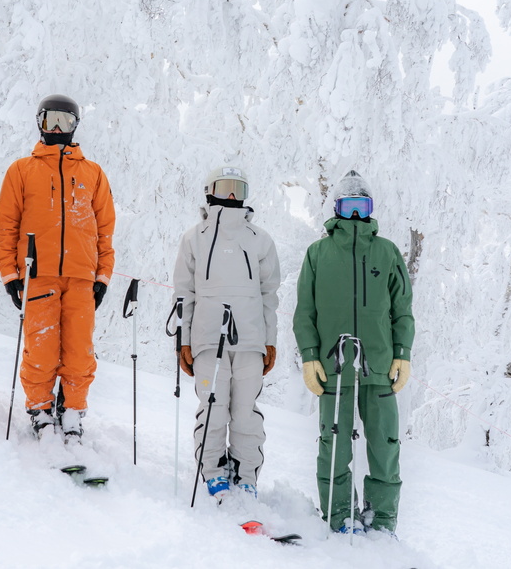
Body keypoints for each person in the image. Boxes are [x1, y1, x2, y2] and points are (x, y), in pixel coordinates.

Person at [293, 170, 414, 535]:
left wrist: (402, 353)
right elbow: (305, 312)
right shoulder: (318, 253)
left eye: (363, 206)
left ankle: (381, 521)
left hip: (377, 368)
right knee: (334, 447)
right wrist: (310, 355)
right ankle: (339, 516)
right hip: (335, 368)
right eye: (350, 206)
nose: (357, 214)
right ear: (338, 209)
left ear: (371, 208)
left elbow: (402, 308)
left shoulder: (387, 252)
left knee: (385, 447)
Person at [0, 94, 115, 442]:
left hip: (81, 279)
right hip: (38, 274)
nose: (58, 128)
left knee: (79, 352)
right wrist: (10, 276)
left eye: (66, 121)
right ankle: (41, 409)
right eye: (52, 121)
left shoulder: (92, 173)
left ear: (76, 126)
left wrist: (103, 276)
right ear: (40, 122)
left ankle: (73, 410)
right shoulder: (22, 170)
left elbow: (105, 230)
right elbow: (7, 227)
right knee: (42, 349)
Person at [173, 166, 281, 504]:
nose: (232, 195)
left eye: (239, 188)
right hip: (207, 338)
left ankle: (246, 475)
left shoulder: (259, 239)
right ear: (210, 190)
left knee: (245, 410)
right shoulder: (194, 237)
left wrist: (270, 339)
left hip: (250, 340)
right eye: (225, 187)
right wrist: (184, 340)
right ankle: (213, 471)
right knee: (214, 408)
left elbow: (269, 294)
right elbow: (183, 291)